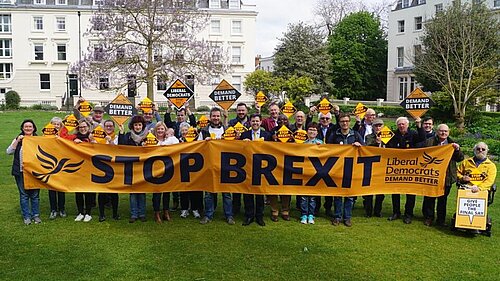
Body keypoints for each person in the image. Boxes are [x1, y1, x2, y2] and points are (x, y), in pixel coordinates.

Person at [422, 124, 464, 226]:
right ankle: (429, 217)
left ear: (448, 132)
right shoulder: (429, 142)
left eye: (445, 131)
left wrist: (457, 150)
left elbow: (460, 158)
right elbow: (422, 154)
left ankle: (441, 220)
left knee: (443, 199)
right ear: (437, 131)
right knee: (429, 198)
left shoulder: (452, 143)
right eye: (441, 131)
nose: (443, 133)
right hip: (432, 175)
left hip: (447, 176)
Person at [198, 107, 235, 225]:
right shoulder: (203, 131)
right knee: (208, 193)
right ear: (210, 117)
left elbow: (234, 146)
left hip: (225, 166)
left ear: (220, 117)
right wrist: (204, 142)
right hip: (209, 166)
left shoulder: (227, 129)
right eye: (213, 116)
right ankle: (208, 215)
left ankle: (229, 215)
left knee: (226, 193)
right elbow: (197, 148)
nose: (216, 118)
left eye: (218, 116)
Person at [386, 116, 425, 224]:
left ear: (407, 125)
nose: (401, 126)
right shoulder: (393, 134)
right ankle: (396, 212)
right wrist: (379, 140)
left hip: (410, 169)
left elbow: (423, 139)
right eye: (399, 124)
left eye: (403, 124)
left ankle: (408, 214)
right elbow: (384, 145)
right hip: (396, 169)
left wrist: (419, 126)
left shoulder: (413, 134)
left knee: (410, 193)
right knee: (395, 191)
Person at [328, 113, 364, 227]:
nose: (345, 123)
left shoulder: (356, 134)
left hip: (352, 168)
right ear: (339, 123)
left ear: (350, 122)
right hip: (337, 168)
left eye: (347, 121)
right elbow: (327, 149)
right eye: (342, 121)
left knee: (350, 195)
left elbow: (364, 149)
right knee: (338, 195)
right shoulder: (334, 135)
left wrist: (359, 146)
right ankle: (337, 216)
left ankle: (347, 217)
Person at [239, 113, 272, 226]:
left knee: (259, 192)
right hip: (247, 167)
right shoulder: (244, 135)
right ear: (250, 122)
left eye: (257, 121)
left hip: (262, 167)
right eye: (253, 121)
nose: (255, 123)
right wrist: (243, 144)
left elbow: (273, 150)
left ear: (261, 122)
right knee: (247, 192)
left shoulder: (267, 135)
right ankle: (249, 215)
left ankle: (259, 216)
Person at [7, 119, 42, 225]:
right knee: (24, 195)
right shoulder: (18, 139)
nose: (28, 128)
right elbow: (9, 152)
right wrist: (17, 140)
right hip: (21, 171)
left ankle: (35, 215)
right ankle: (26, 216)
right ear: (22, 128)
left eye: (30, 126)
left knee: (35, 195)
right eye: (25, 126)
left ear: (34, 128)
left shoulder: (38, 139)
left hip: (34, 171)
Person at [63, 118, 97, 222]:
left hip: (90, 167)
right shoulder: (74, 137)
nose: (82, 129)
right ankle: (80, 212)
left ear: (88, 127)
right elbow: (62, 138)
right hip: (77, 167)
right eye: (80, 127)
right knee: (78, 191)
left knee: (88, 192)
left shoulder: (93, 136)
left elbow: (100, 148)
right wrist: (66, 123)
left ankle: (88, 213)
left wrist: (92, 141)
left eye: (84, 127)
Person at [118, 115, 148, 223]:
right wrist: (121, 132)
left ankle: (142, 213)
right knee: (133, 192)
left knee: (142, 192)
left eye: (139, 125)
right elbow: (121, 147)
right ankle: (134, 214)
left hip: (143, 168)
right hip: (130, 167)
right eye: (136, 125)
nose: (138, 127)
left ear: (142, 126)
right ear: (132, 126)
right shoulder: (127, 136)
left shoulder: (148, 137)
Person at [151, 121, 179, 223]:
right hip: (155, 169)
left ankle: (166, 211)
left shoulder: (170, 140)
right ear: (155, 130)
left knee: (167, 191)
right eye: (158, 129)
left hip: (167, 168)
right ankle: (156, 212)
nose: (160, 131)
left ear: (165, 130)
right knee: (157, 192)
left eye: (162, 129)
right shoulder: (152, 140)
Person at [228, 103, 251, 215]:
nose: (241, 112)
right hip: (236, 156)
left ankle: (248, 209)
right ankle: (235, 209)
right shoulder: (232, 123)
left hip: (249, 157)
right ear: (236, 111)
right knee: (236, 184)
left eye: (243, 110)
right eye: (239, 110)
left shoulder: (251, 122)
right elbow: (226, 136)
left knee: (247, 184)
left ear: (246, 111)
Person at [178, 122, 203, 219]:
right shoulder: (178, 141)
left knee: (194, 190)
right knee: (183, 189)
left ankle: (194, 209)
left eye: (186, 130)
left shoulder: (196, 140)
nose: (184, 132)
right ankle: (184, 209)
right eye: (183, 130)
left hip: (195, 167)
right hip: (182, 167)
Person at [97, 120, 120, 222]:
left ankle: (115, 214)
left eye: (111, 126)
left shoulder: (116, 137)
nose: (109, 127)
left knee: (114, 192)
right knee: (102, 192)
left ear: (113, 127)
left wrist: (110, 141)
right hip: (100, 166)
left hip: (113, 167)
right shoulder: (98, 137)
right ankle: (101, 214)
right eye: (107, 126)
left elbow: (118, 150)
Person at [363, 118, 386, 218]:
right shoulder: (368, 137)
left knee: (380, 192)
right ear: (372, 127)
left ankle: (378, 210)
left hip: (383, 166)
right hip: (371, 166)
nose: (378, 127)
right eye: (376, 125)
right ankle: (368, 211)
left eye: (380, 125)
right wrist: (377, 143)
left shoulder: (388, 137)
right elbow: (368, 148)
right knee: (369, 191)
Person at [300, 122, 323, 224]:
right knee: (304, 196)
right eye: (310, 129)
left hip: (315, 173)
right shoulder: (302, 143)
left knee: (312, 197)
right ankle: (304, 215)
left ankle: (311, 215)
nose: (312, 131)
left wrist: (321, 147)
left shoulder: (321, 143)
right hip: (304, 172)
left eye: (314, 130)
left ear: (317, 132)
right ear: (307, 131)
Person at [48, 116, 66, 219]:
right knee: (51, 188)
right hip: (50, 165)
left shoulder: (64, 136)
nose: (56, 126)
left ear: (60, 126)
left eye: (58, 124)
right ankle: (53, 209)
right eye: (54, 124)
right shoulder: (45, 136)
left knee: (61, 188)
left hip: (62, 165)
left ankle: (62, 209)